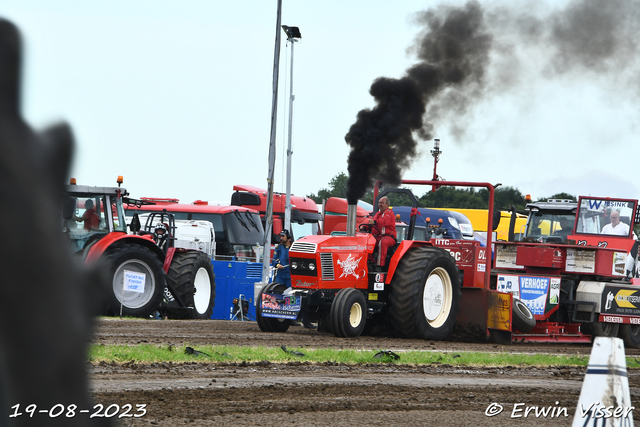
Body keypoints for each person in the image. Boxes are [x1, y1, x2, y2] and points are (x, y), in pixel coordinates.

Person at [272, 229, 315, 329]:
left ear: (288, 237)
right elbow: (274, 260)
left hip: (292, 276)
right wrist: (278, 265)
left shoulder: (294, 246)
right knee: (278, 295)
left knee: (295, 297)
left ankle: (295, 319)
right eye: (280, 236)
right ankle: (279, 318)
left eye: (283, 236)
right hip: (281, 275)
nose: (281, 238)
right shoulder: (278, 247)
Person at [369, 196, 397, 271]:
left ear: (387, 204)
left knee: (383, 242)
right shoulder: (378, 214)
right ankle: (370, 262)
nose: (380, 204)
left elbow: (384, 222)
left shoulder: (389, 213)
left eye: (382, 203)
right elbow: (372, 222)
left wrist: (374, 222)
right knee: (369, 241)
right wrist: (365, 227)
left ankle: (380, 265)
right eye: (379, 203)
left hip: (389, 237)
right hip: (378, 236)